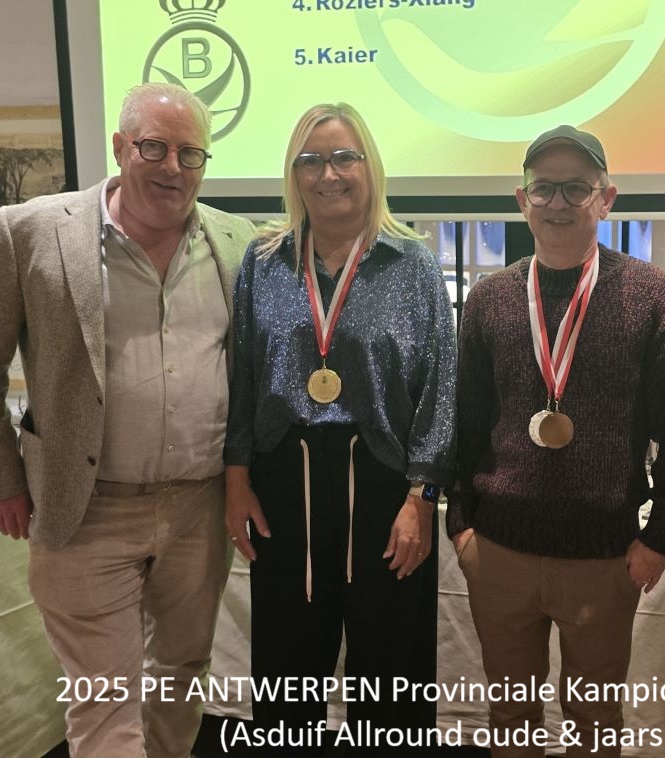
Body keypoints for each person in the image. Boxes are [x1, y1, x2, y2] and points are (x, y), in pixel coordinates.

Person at [0, 83, 256, 756]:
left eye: (190, 153)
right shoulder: (32, 231)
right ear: (120, 147)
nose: (172, 167)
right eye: (154, 147)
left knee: (182, 676)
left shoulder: (239, 243)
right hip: (84, 510)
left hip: (199, 509)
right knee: (104, 700)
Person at [448, 125, 665, 758]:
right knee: (510, 722)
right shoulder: (488, 301)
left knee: (595, 726)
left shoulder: (651, 298)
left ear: (606, 199)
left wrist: (660, 538)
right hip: (499, 553)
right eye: (544, 188)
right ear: (522, 200)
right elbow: (464, 426)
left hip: (604, 560)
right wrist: (461, 526)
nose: (558, 203)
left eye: (576, 188)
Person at [223, 102, 456, 753]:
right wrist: (236, 480)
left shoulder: (412, 263)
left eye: (344, 158)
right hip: (284, 480)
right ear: (294, 174)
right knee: (286, 668)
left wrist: (422, 497)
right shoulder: (262, 263)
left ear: (368, 166)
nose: (329, 175)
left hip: (384, 484)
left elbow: (441, 388)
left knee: (392, 669)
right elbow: (242, 377)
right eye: (312, 161)